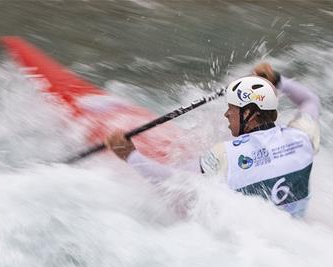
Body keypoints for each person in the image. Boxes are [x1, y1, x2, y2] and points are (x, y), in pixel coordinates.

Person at [105, 63, 320, 218]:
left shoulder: (225, 154)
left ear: (250, 114)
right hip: (290, 236)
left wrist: (130, 155)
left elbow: (173, 181)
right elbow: (310, 100)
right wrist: (279, 80)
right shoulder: (302, 136)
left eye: (232, 109)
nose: (227, 114)